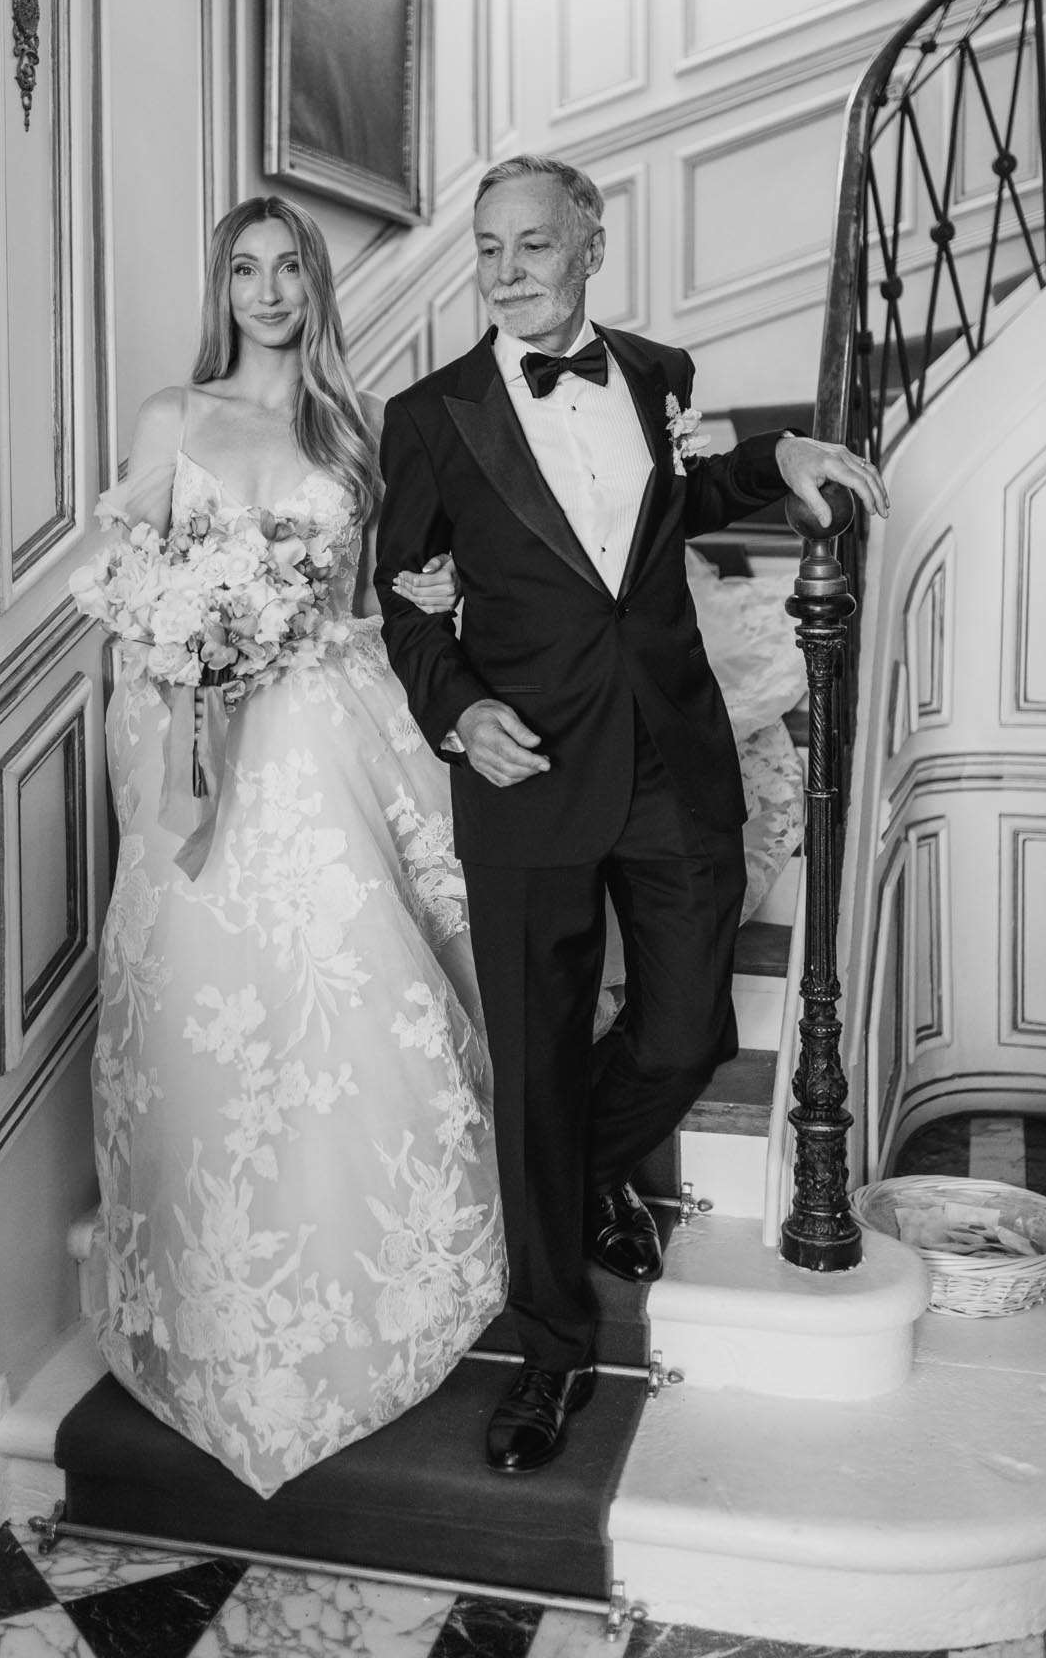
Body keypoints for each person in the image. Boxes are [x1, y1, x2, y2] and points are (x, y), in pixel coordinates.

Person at [374, 154, 888, 1475]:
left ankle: (579, 1168)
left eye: (533, 243)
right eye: (487, 248)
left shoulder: (656, 375)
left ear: (590, 244)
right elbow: (406, 593)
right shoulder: (430, 414)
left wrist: (780, 453)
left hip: (668, 760)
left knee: (680, 1030)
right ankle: (548, 1355)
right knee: (537, 1058)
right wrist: (456, 707)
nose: (507, 269)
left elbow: (685, 495)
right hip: (525, 775)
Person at [80, 197, 507, 1499]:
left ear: (314, 287)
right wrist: (182, 660)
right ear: (222, 286)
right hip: (200, 745)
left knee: (344, 1002)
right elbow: (134, 586)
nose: (267, 290)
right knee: (211, 1013)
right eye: (244, 269)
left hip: (323, 727)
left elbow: (387, 588)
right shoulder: (174, 417)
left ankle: (363, 1275)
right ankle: (208, 1290)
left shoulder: (355, 425)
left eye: (287, 270)